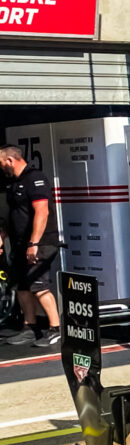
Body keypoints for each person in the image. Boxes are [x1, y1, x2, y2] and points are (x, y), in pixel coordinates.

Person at [0, 145, 60, 346]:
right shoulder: (14, 183)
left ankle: (55, 329)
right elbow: (14, 216)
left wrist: (33, 243)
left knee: (38, 285)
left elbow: (42, 211)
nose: (0, 167)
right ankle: (30, 327)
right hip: (20, 243)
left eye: (0, 162)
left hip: (40, 243)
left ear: (10, 160)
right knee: (21, 285)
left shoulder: (35, 178)